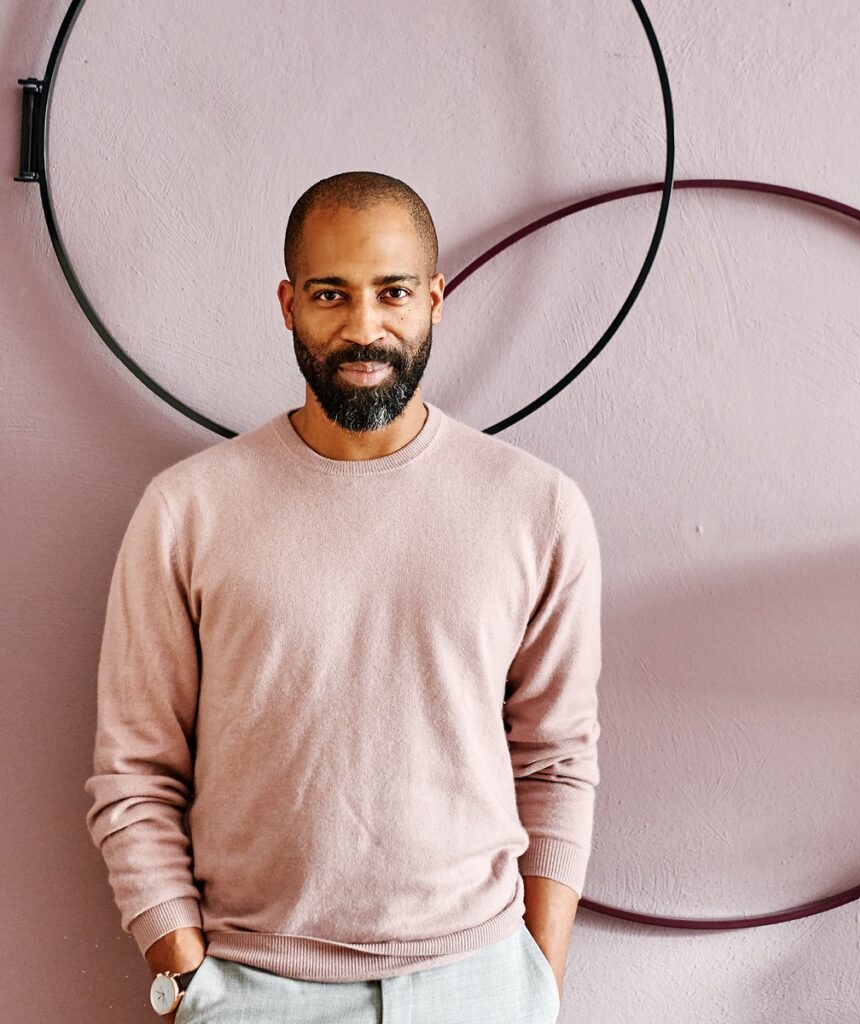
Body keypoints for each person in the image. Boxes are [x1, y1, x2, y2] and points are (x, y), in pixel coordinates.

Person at [84, 170, 603, 1023]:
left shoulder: (537, 508)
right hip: (251, 991)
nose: (365, 327)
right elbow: (134, 774)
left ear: (436, 300)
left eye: (394, 293)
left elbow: (557, 760)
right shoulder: (186, 510)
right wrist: (186, 985)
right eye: (331, 294)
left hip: (480, 983)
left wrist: (536, 985)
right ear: (288, 304)